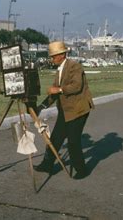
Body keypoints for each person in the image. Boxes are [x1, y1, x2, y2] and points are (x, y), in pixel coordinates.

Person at [34, 41, 94, 180]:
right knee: (55, 139)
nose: (52, 59)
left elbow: (77, 86)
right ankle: (47, 165)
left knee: (73, 141)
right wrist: (41, 107)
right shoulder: (59, 70)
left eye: (54, 56)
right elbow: (54, 94)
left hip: (78, 110)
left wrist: (59, 89)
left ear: (61, 55)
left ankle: (82, 170)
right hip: (66, 111)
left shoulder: (74, 66)